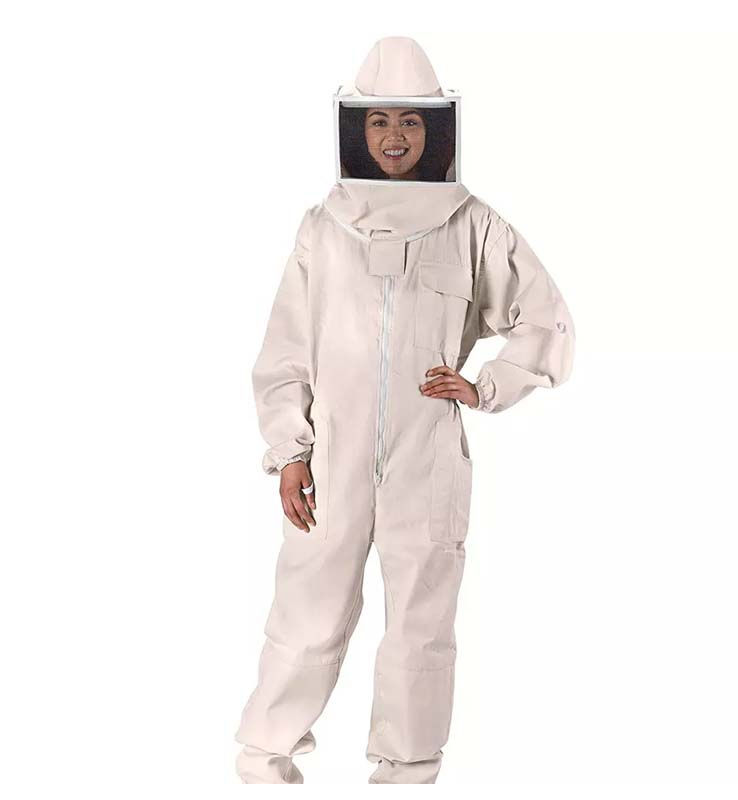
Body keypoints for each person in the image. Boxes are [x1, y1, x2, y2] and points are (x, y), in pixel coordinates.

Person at [234, 36, 575, 784]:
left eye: (411, 121)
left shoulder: (471, 223)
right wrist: (290, 451)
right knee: (309, 604)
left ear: (436, 129)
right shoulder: (323, 226)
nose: (395, 136)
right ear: (358, 129)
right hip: (333, 452)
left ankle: (409, 770)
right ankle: (265, 755)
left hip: (427, 454)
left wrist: (486, 387)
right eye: (381, 120)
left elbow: (546, 319)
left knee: (422, 619)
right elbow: (287, 349)